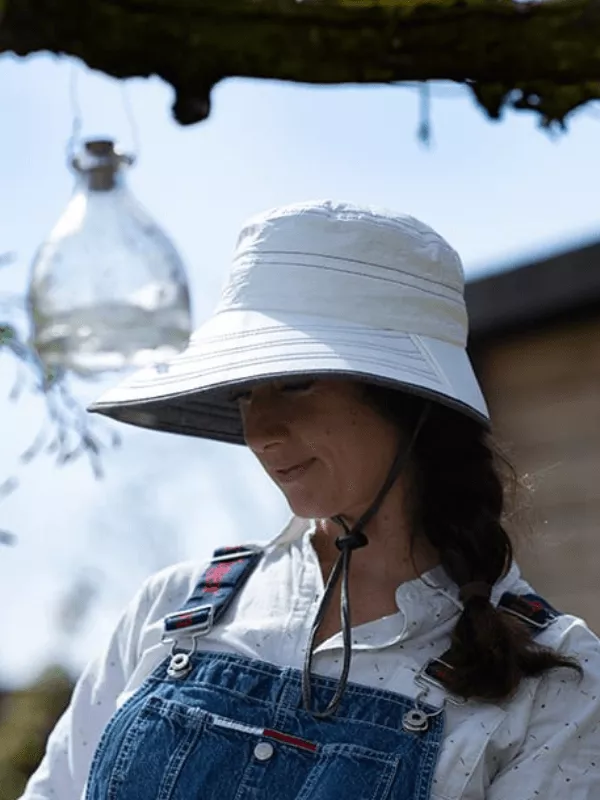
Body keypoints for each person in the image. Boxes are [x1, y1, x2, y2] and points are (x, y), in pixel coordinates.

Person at [20, 200, 600, 800]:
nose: (262, 430)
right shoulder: (171, 608)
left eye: (297, 382)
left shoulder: (558, 681)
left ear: (408, 401)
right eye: (244, 393)